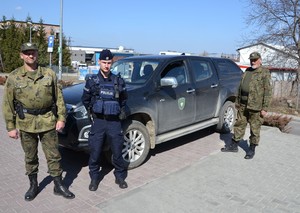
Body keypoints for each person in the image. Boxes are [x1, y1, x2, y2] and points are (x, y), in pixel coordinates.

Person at [2, 42, 75, 201]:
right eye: (26, 52)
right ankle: (33, 185)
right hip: (26, 122)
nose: (30, 55)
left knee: (54, 155)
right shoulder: (14, 77)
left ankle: (58, 185)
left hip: (48, 121)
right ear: (21, 55)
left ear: (37, 53)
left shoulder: (49, 74)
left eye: (33, 52)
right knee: (30, 157)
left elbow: (59, 98)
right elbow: (7, 103)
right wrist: (10, 126)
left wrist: (61, 118)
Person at [81, 49, 128, 191]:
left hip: (114, 122)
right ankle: (94, 178)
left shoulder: (118, 81)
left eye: (109, 62)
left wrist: (120, 112)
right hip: (99, 121)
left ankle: (120, 176)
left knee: (117, 151)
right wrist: (93, 112)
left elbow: (124, 99)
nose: (107, 65)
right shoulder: (92, 82)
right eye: (104, 62)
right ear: (99, 62)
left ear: (111, 63)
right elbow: (85, 99)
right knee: (95, 151)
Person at [221, 52, 272, 159]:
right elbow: (240, 87)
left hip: (256, 107)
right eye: (251, 60)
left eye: (255, 60)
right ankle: (234, 145)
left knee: (255, 128)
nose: (253, 62)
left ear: (260, 60)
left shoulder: (264, 72)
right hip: (243, 104)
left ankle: (251, 149)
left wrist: (265, 108)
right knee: (239, 124)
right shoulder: (247, 71)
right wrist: (237, 102)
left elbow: (268, 91)